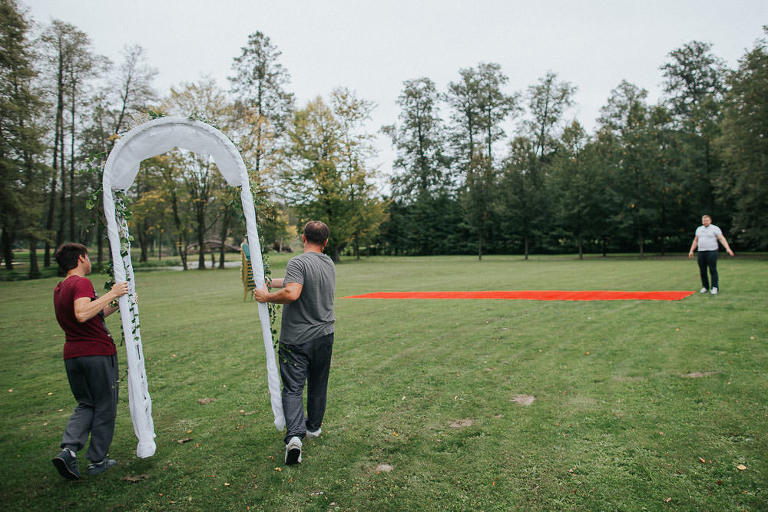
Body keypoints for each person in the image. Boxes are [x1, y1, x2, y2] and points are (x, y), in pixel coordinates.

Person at [254, 221, 335, 465]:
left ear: (303, 238)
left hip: (297, 340)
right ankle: (313, 428)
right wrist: (269, 281)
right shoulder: (328, 263)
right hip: (325, 336)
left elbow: (292, 292)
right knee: (318, 384)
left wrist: (266, 297)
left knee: (293, 388)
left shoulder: (297, 262)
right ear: (325, 242)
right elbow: (294, 282)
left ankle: (295, 438)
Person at [51, 243, 130, 480]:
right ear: (81, 258)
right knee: (105, 404)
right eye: (88, 256)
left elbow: (94, 313)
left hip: (73, 355)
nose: (90, 260)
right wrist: (113, 292)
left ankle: (68, 451)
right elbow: (82, 313)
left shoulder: (60, 287)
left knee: (86, 404)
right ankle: (98, 460)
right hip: (96, 353)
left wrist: (118, 302)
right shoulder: (81, 283)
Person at [688, 215, 734, 295]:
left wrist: (728, 248)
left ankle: (714, 287)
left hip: (712, 251)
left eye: (706, 220)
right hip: (701, 252)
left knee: (712, 270)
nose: (705, 222)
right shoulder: (699, 229)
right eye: (703, 220)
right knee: (702, 271)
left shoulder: (715, 228)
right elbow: (695, 241)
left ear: (710, 221)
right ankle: (705, 287)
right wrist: (691, 250)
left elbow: (721, 238)